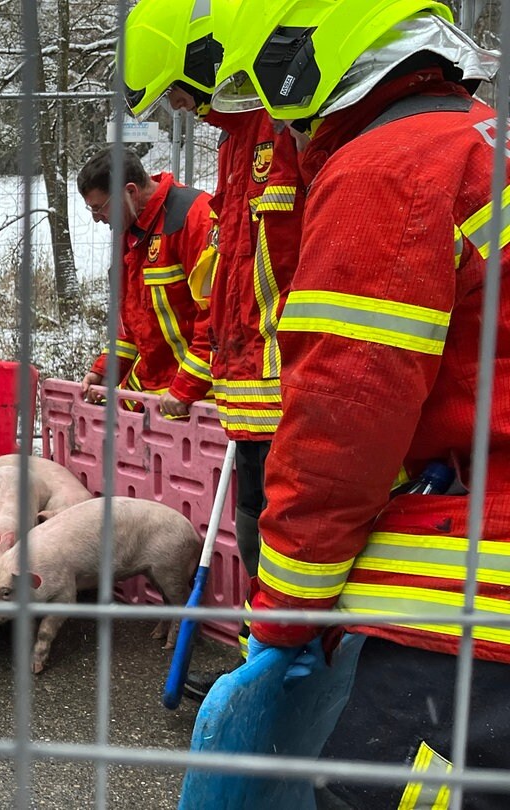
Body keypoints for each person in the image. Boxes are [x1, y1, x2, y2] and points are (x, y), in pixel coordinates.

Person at [215, 1, 506, 806]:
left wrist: (281, 619)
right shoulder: (483, 139)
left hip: (480, 604)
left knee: (366, 789)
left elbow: (342, 427)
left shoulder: (392, 171)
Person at [120, 0, 306, 699]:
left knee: (284, 539)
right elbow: (226, 288)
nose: (181, 108)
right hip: (248, 396)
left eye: (176, 90)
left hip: (291, 393)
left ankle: (275, 673)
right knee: (260, 533)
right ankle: (261, 667)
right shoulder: (237, 142)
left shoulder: (289, 128)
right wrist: (198, 384)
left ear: (207, 62)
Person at [77, 148, 214, 416]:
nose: (96, 218)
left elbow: (217, 322)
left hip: (199, 397)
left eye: (99, 208)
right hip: (154, 392)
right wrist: (105, 371)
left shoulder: (193, 219)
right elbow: (132, 323)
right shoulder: (129, 231)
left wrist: (186, 386)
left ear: (129, 192)